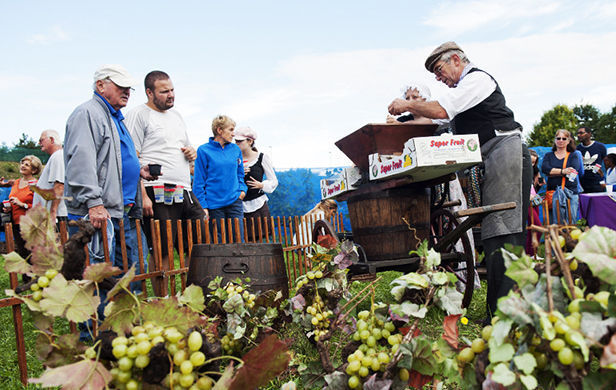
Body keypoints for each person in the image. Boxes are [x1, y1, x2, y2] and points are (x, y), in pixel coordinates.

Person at [387, 41, 532, 318]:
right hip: (491, 158)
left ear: (456, 59)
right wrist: (400, 123)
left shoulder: (477, 80)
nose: (439, 78)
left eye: (439, 70)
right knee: (493, 233)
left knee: (504, 231)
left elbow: (442, 111)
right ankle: (499, 311)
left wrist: (406, 103)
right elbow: (434, 123)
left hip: (506, 152)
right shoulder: (463, 95)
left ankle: (506, 313)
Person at [64, 65, 156, 299]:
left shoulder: (116, 118)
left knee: (125, 274)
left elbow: (115, 160)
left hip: (120, 210)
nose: (126, 91)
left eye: (129, 87)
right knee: (95, 277)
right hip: (97, 213)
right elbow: (81, 162)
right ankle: (93, 333)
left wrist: (139, 171)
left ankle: (120, 328)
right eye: (120, 86)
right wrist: (94, 203)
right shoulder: (88, 114)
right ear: (100, 86)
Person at [126, 70, 205, 294]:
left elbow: (186, 148)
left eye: (172, 90)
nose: (171, 95)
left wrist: (191, 152)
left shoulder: (177, 116)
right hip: (155, 190)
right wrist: (142, 195)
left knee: (195, 244)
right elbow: (133, 158)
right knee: (162, 250)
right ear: (149, 93)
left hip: (184, 190)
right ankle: (164, 300)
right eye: (164, 91)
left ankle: (192, 296)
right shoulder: (138, 115)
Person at [193, 115, 247, 242]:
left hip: (234, 201)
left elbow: (240, 174)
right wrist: (203, 206)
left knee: (238, 241)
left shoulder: (235, 149)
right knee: (219, 243)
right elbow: (199, 181)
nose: (233, 134)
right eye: (231, 130)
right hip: (214, 205)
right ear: (219, 130)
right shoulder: (203, 150)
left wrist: (242, 191)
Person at [234, 126, 278, 241]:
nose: (237, 143)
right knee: (240, 239)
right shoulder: (233, 159)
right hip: (238, 205)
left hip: (258, 204)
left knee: (257, 240)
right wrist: (238, 173)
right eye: (236, 141)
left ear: (250, 141)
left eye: (240, 141)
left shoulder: (262, 157)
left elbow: (273, 180)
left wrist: (262, 185)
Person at [3, 155, 42, 262]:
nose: (23, 166)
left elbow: (40, 207)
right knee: (22, 253)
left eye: (27, 165)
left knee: (32, 254)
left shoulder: (37, 184)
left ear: (34, 170)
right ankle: (26, 278)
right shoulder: (16, 182)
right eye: (22, 163)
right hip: (16, 222)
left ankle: (36, 277)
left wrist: (22, 204)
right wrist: (9, 208)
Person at [541, 129, 582, 223]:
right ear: (555, 140)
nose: (561, 141)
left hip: (570, 193)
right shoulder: (548, 155)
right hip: (553, 193)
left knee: (571, 223)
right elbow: (545, 169)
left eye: (564, 138)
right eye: (558, 138)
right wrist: (563, 171)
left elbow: (573, 170)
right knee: (555, 223)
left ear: (568, 141)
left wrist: (553, 171)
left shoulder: (573, 155)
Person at [32, 130, 67, 223]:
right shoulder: (56, 156)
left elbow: (59, 186)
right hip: (53, 216)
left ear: (51, 139)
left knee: (59, 237)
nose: (39, 143)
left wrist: (52, 213)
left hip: (57, 216)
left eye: (41, 140)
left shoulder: (58, 156)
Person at [576, 127, 607, 193]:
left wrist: (603, 180)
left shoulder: (600, 147)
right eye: (578, 133)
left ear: (589, 134)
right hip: (583, 185)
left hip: (597, 184)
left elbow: (605, 165)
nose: (579, 135)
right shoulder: (577, 149)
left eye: (581, 133)